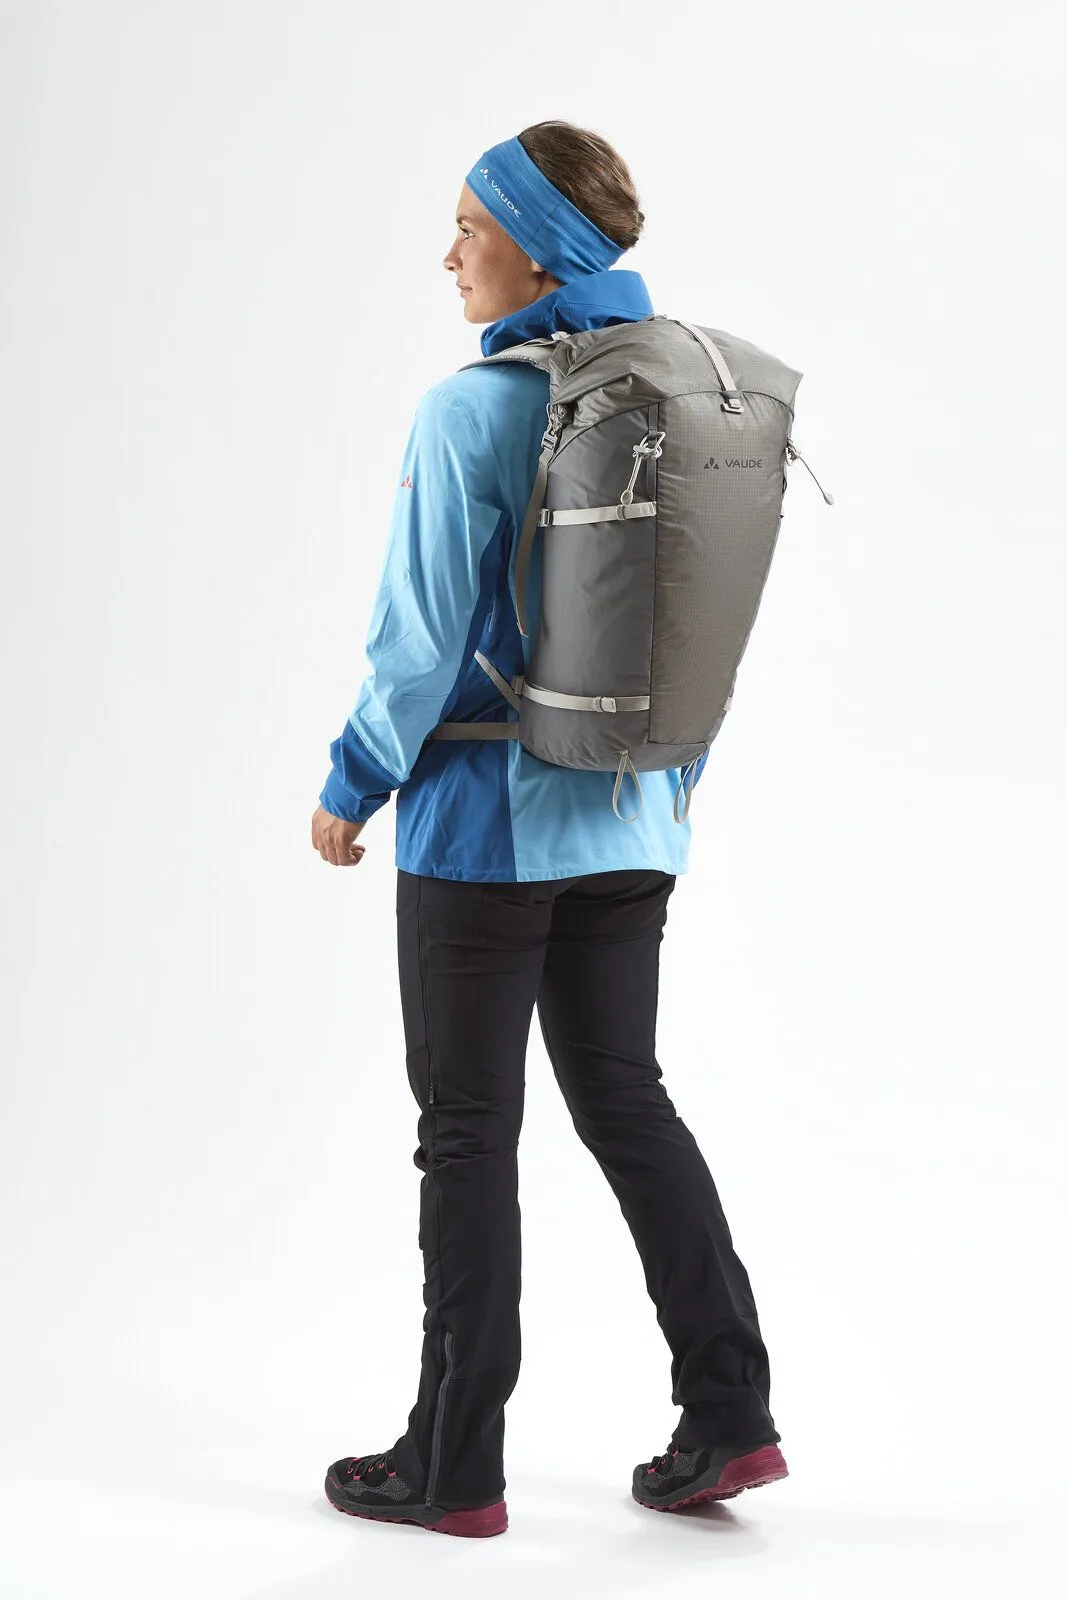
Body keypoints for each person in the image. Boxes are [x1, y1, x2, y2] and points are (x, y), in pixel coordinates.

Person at [314, 121, 787, 1538]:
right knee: (626, 1102)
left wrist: (352, 782)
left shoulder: (470, 410)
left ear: (536, 250)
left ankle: (451, 1464)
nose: (449, 253)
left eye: (471, 226)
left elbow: (417, 643)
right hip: (637, 824)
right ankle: (731, 1415)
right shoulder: (672, 392)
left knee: (468, 1134)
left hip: (484, 835)